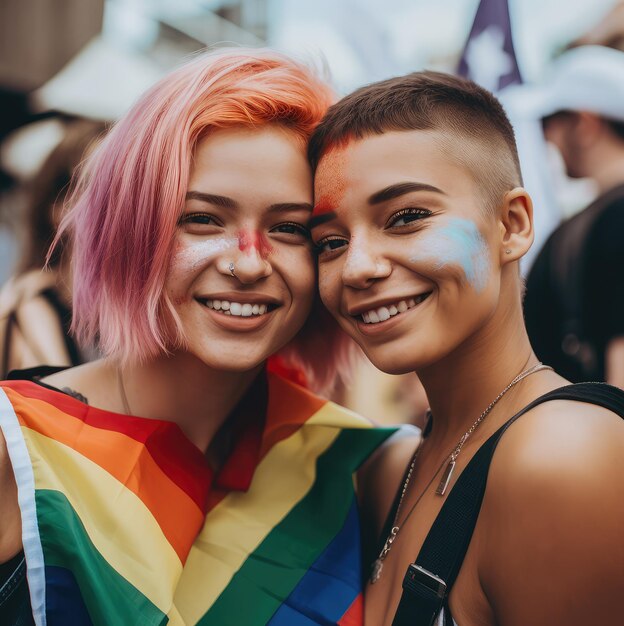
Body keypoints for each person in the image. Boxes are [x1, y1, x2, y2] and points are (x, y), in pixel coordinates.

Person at [0, 48, 395, 625]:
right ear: (132, 228)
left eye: (288, 228)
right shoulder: (17, 450)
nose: (249, 263)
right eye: (203, 218)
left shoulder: (360, 467)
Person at [307, 70, 624, 626]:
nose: (357, 267)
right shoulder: (390, 469)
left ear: (513, 224)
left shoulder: (563, 456)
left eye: (406, 217)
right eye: (330, 242)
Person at [522, 45, 624, 389]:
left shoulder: (616, 218)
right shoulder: (598, 220)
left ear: (584, 123)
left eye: (548, 121)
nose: (545, 137)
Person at [0, 118, 106, 377]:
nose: (116, 202)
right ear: (58, 206)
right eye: (98, 185)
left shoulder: (144, 314)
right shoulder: (28, 308)